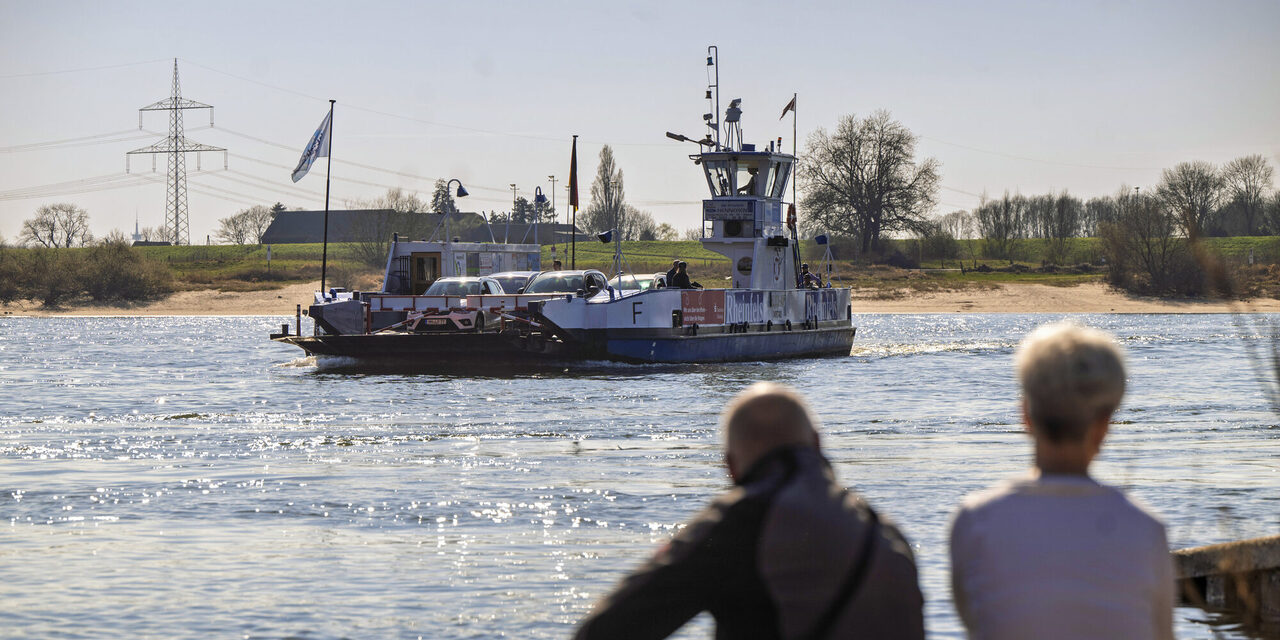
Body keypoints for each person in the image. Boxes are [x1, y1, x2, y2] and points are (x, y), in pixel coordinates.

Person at [574, 383, 925, 640]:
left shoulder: (744, 521)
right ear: (817, 443)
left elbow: (605, 630)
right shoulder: (885, 531)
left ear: (731, 468)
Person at [949, 323, 1174, 640]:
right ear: (1104, 425)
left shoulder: (975, 522)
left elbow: (976, 619)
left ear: (1025, 414)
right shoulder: (1147, 530)